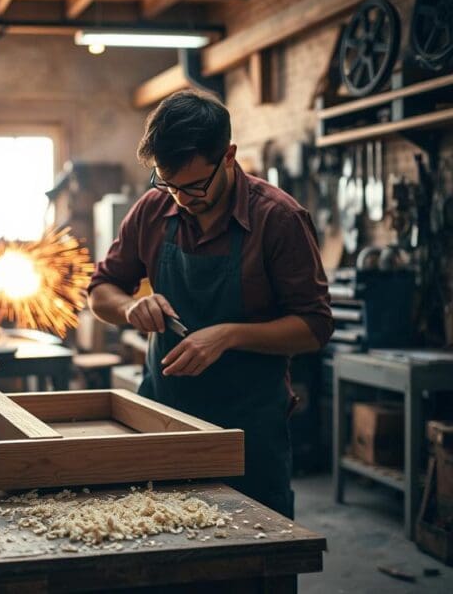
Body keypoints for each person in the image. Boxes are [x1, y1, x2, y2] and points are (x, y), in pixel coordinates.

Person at [88, 90, 333, 518]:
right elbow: (101, 289)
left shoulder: (277, 219)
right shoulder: (152, 210)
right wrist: (130, 309)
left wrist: (228, 335)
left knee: (253, 562)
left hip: (248, 433)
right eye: (168, 183)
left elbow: (314, 327)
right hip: (163, 418)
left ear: (229, 156)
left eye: (196, 185)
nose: (182, 197)